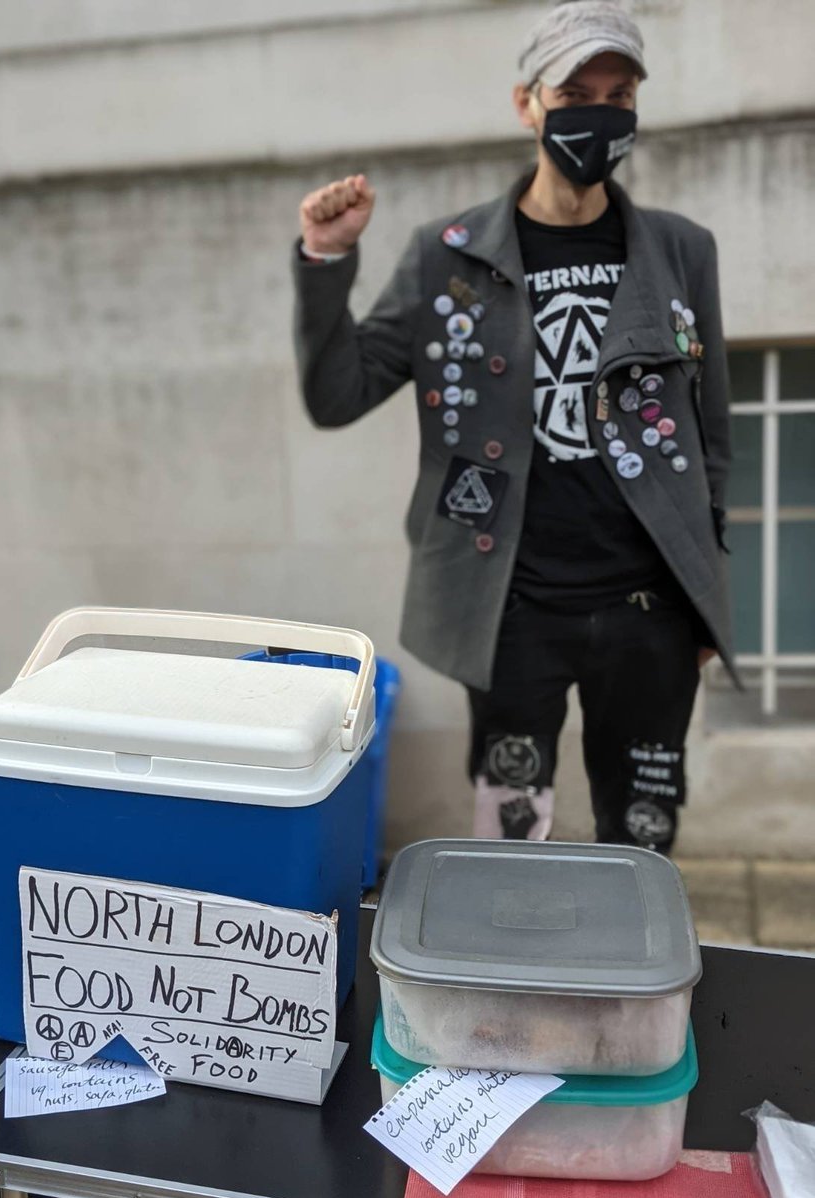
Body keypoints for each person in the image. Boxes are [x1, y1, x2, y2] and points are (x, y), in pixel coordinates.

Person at [290, 0, 734, 854]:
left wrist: (703, 593)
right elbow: (337, 395)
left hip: (649, 613)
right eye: (575, 91)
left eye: (620, 93)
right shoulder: (447, 255)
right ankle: (512, 984)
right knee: (509, 839)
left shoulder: (683, 250)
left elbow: (709, 435)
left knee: (642, 840)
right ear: (527, 103)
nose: (599, 112)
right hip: (510, 613)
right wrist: (326, 260)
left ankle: (625, 991)